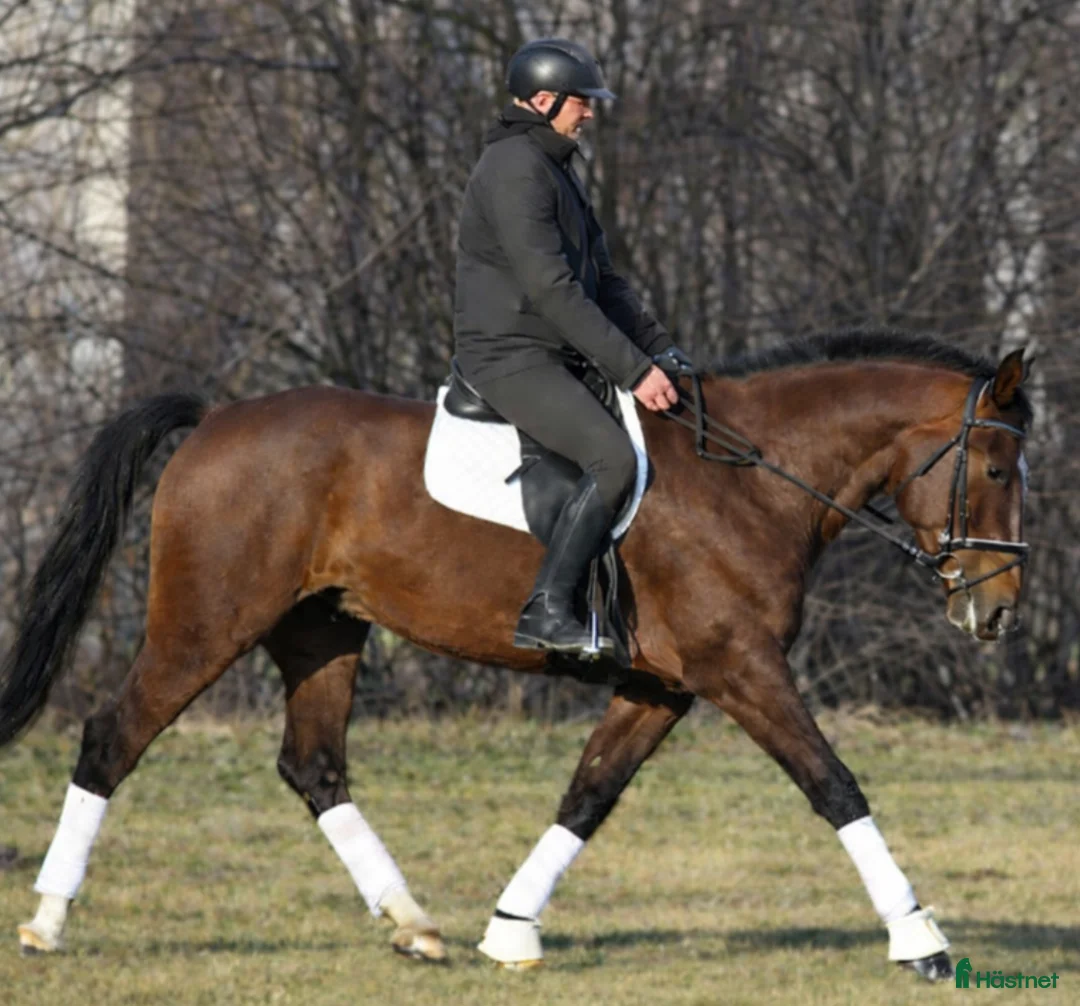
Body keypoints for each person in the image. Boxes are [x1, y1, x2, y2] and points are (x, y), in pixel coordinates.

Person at [452, 37, 691, 659]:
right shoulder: (514, 169)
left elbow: (604, 282)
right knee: (615, 460)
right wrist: (634, 371)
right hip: (509, 355)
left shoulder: (554, 165)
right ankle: (548, 609)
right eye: (582, 101)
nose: (590, 112)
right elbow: (553, 290)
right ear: (542, 99)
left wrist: (665, 354)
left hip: (556, 351)